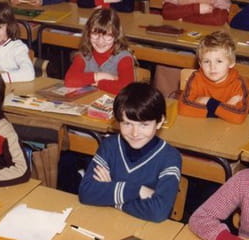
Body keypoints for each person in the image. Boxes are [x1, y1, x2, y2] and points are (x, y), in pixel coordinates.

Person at [78, 83, 182, 222]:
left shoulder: (170, 157)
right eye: (127, 124)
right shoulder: (110, 145)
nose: (135, 133)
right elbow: (86, 193)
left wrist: (110, 194)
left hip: (146, 229)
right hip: (106, 221)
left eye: (144, 125)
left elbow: (159, 211)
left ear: (160, 122)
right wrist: (137, 190)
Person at [178, 31, 249, 124]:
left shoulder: (238, 83)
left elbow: (239, 116)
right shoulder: (196, 78)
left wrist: (208, 101)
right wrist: (224, 109)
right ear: (200, 64)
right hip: (199, 126)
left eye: (219, 61)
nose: (212, 67)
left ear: (231, 63)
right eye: (207, 61)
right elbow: (183, 108)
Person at [64, 8, 135, 95]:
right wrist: (102, 76)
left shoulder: (123, 58)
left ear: (116, 36)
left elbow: (126, 89)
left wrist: (98, 83)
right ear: (88, 34)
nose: (100, 41)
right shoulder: (84, 55)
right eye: (95, 34)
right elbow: (69, 80)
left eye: (108, 35)